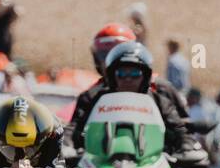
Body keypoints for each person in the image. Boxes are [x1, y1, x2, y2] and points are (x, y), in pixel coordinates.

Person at [66, 25, 191, 155]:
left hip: (156, 162)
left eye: (135, 73)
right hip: (101, 163)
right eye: (121, 73)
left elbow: (182, 127)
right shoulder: (92, 95)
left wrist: (186, 146)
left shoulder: (161, 92)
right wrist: (68, 147)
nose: (128, 79)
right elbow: (74, 128)